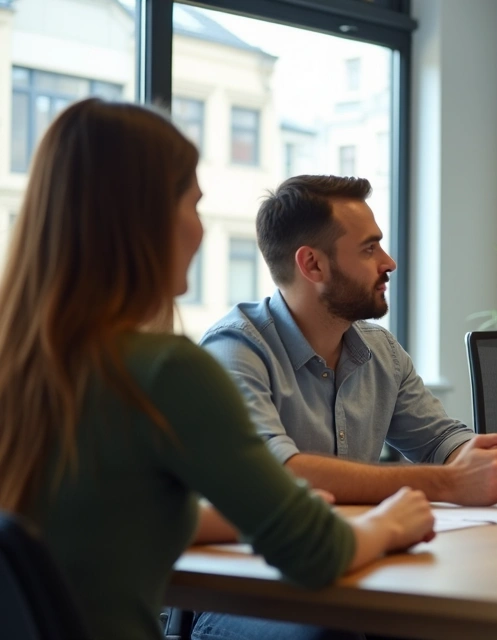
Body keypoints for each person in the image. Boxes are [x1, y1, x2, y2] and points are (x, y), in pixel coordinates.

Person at [0, 99, 435, 640]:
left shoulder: (25, 367)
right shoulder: (165, 371)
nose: (200, 230)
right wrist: (390, 522)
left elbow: (100, 518)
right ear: (145, 221)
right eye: (194, 204)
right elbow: (316, 554)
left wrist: (252, 510)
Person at [198, 175, 497, 507]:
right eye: (369, 248)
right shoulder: (234, 350)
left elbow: (439, 440)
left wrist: (491, 459)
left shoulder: (381, 351)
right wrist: (451, 482)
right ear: (313, 265)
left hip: (363, 546)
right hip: (266, 560)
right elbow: (274, 472)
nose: (388, 262)